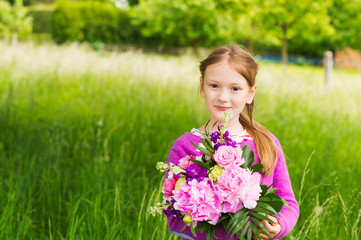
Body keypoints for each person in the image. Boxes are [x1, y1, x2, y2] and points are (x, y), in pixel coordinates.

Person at [166, 45, 299, 240]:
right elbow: (173, 213)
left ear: (250, 93)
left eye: (235, 88)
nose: (222, 97)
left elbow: (288, 201)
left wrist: (279, 226)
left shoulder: (265, 142)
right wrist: (205, 207)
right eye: (214, 86)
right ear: (202, 86)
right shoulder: (185, 146)